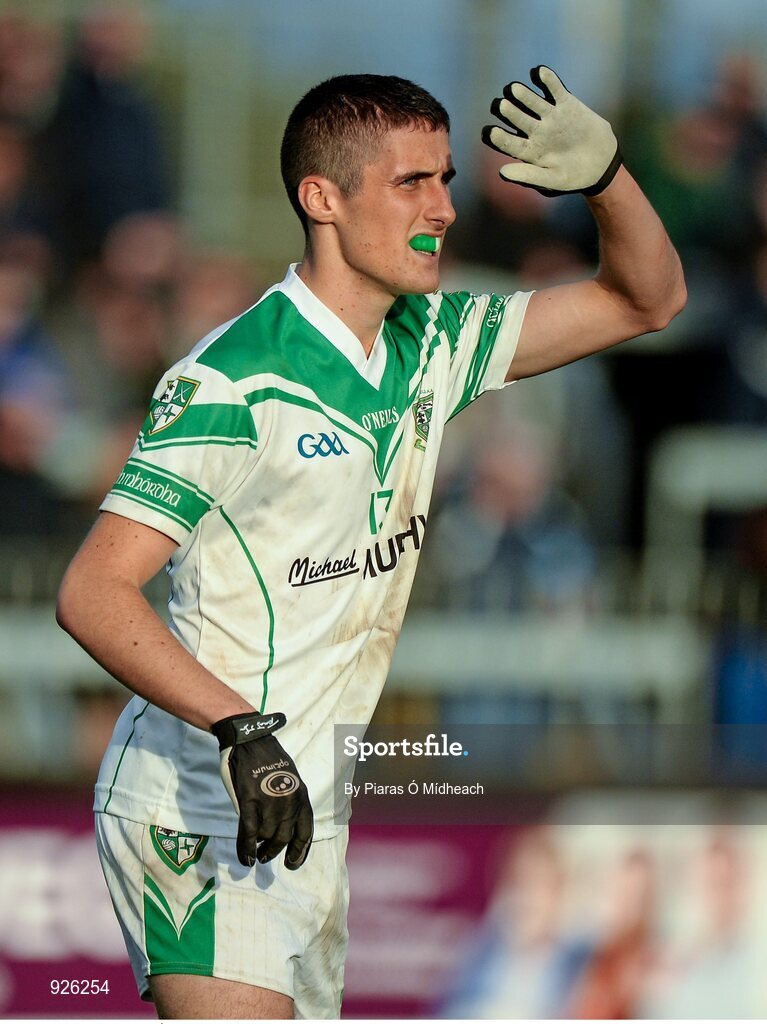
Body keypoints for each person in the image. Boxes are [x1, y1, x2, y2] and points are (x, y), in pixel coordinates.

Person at [56, 68, 685, 1019]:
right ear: (322, 199)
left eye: (445, 180)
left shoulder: (431, 340)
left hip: (310, 804)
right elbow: (94, 590)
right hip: (195, 802)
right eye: (409, 183)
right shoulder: (233, 380)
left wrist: (606, 178)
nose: (442, 208)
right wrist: (239, 727)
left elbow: (645, 300)